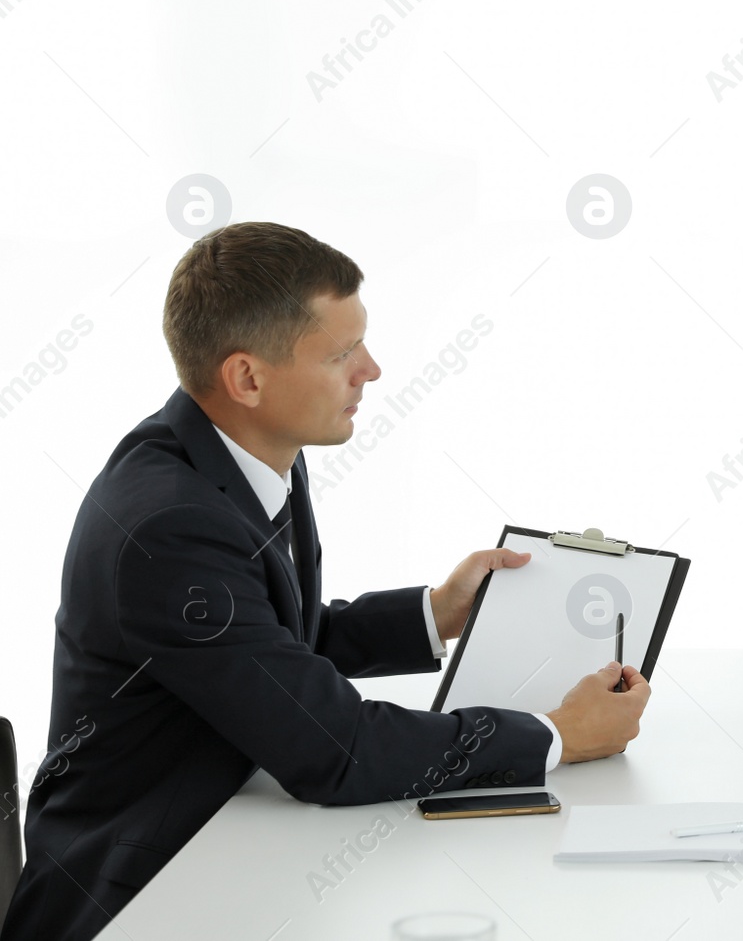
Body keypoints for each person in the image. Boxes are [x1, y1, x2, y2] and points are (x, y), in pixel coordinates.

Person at [0, 222, 650, 941]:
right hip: (134, 897)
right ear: (248, 378)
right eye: (343, 353)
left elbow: (271, 643)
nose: (370, 369)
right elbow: (335, 749)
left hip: (228, 844)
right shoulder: (168, 527)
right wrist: (556, 735)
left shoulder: (249, 451)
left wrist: (436, 611)